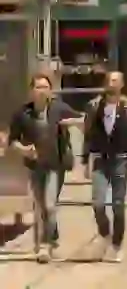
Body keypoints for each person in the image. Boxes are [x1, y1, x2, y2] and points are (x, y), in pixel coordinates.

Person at [7, 72, 84, 263]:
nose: (42, 91)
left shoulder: (59, 108)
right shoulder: (22, 114)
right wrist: (24, 150)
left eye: (45, 87)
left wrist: (72, 123)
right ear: (31, 91)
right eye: (38, 87)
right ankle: (52, 237)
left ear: (50, 90)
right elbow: (12, 141)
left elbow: (82, 120)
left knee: (50, 205)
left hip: (55, 165)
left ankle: (44, 245)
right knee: (41, 206)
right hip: (35, 167)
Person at [83, 71, 127, 262]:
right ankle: (104, 234)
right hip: (101, 159)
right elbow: (88, 134)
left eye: (116, 80)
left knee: (118, 204)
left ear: (122, 84)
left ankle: (117, 245)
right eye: (109, 80)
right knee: (98, 203)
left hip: (121, 159)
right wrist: (85, 160)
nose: (111, 83)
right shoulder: (93, 106)